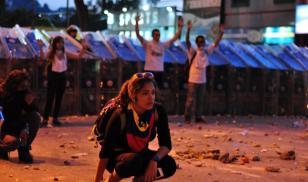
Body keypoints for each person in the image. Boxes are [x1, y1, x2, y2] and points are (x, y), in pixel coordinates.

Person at [94, 72, 176, 182]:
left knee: (169, 165)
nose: (150, 97)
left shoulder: (158, 111)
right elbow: (106, 151)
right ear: (133, 96)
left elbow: (166, 144)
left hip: (140, 155)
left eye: (153, 93)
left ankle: (141, 179)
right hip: (118, 160)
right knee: (134, 160)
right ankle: (111, 180)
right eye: (145, 93)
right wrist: (98, 177)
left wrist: (154, 160)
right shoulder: (121, 114)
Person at [39, 36, 86, 127]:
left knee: (59, 98)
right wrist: (40, 47)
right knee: (50, 97)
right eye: (58, 42)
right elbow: (43, 57)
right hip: (53, 76)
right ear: (55, 44)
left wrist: (83, 49)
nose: (60, 44)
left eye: (62, 42)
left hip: (62, 76)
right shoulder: (51, 53)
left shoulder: (65, 52)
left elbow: (78, 56)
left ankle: (55, 118)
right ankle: (45, 119)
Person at [184, 21, 224, 123]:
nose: (201, 44)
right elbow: (187, 42)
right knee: (191, 100)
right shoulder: (193, 52)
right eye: (200, 42)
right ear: (197, 43)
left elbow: (216, 43)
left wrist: (221, 33)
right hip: (193, 79)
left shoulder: (206, 52)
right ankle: (187, 116)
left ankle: (198, 117)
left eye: (203, 42)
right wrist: (188, 30)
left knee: (200, 100)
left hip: (202, 80)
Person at [0, 69, 41, 163]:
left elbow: (33, 113)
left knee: (35, 116)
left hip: (17, 125)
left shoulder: (24, 93)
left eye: (26, 86)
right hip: (4, 127)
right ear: (14, 85)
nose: (24, 88)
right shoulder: (2, 92)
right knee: (12, 143)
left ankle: (24, 148)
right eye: (22, 86)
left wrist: (31, 103)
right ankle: (2, 148)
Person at [135, 15, 183, 89]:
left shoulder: (162, 44)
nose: (158, 36)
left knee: (157, 89)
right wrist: (137, 23)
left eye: (159, 35)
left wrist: (180, 27)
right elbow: (138, 35)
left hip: (159, 70)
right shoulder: (148, 44)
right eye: (156, 35)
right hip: (149, 69)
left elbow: (174, 38)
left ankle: (156, 100)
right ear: (153, 35)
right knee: (148, 88)